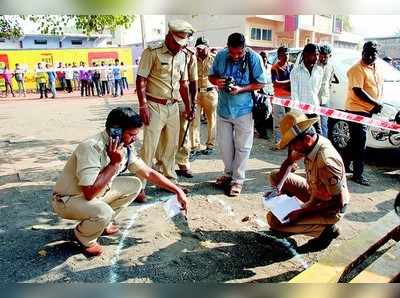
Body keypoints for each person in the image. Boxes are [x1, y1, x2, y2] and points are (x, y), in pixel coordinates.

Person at [51, 107, 188, 256]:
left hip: (92, 194)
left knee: (134, 184)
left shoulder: (123, 146)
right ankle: (84, 236)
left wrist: (177, 190)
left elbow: (148, 173)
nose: (134, 138)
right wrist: (114, 164)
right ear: (115, 131)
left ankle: (100, 224)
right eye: (131, 134)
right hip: (68, 200)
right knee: (104, 212)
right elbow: (89, 193)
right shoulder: (91, 147)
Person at [266, 111, 349, 250]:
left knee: (274, 220)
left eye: (293, 144)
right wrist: (278, 188)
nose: (292, 149)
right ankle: (293, 218)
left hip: (329, 207)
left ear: (306, 139)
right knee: (275, 176)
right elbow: (288, 163)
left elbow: (337, 203)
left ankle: (325, 231)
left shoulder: (326, 162)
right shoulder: (309, 143)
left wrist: (300, 212)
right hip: (315, 194)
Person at [136, 20, 194, 201]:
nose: (179, 47)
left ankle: (169, 179)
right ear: (169, 36)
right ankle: (139, 186)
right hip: (154, 106)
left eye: (182, 44)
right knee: (149, 148)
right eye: (177, 43)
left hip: (173, 107)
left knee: (171, 146)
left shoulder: (183, 55)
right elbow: (141, 80)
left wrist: (189, 107)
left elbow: (183, 84)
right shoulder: (151, 52)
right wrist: (143, 105)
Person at [209, 32, 267, 196]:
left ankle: (237, 180)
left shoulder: (253, 58)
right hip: (223, 109)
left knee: (243, 147)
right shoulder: (220, 56)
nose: (235, 56)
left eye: (239, 53)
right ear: (227, 47)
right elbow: (211, 75)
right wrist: (217, 82)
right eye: (232, 52)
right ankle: (228, 174)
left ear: (244, 48)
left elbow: (261, 82)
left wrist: (241, 89)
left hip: (244, 110)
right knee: (225, 146)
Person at [344, 41, 383, 186]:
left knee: (354, 142)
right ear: (362, 53)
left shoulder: (376, 68)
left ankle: (344, 165)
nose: (369, 57)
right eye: (367, 53)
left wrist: (374, 105)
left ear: (377, 55)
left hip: (368, 110)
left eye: (373, 54)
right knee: (360, 144)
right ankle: (357, 174)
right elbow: (358, 91)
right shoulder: (356, 69)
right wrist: (376, 103)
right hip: (356, 110)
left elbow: (376, 87)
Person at [191, 36, 218, 155]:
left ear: (208, 47)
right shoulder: (192, 60)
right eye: (198, 48)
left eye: (202, 48)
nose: (200, 50)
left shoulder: (214, 59)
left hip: (210, 93)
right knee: (194, 121)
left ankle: (210, 145)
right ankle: (195, 147)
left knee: (211, 120)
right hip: (196, 93)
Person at [290, 43, 324, 134]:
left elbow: (317, 90)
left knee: (318, 137)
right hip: (300, 113)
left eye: (317, 54)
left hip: (314, 109)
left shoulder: (319, 71)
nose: (317, 57)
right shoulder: (295, 72)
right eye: (314, 54)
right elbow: (294, 94)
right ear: (306, 54)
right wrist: (298, 114)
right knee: (300, 140)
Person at [271, 46, 293, 144]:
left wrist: (285, 83)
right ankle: (278, 142)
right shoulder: (275, 68)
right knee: (278, 121)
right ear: (279, 56)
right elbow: (276, 83)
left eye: (287, 54)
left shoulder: (292, 67)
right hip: (279, 97)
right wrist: (289, 82)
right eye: (284, 54)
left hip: (290, 97)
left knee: (290, 120)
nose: (286, 56)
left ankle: (288, 141)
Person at [318, 44, 339, 138]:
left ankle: (323, 146)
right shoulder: (314, 65)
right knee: (313, 123)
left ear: (330, 56)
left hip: (324, 100)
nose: (322, 58)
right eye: (321, 55)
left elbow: (329, 82)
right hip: (313, 99)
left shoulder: (331, 67)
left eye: (325, 56)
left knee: (324, 124)